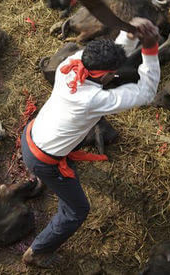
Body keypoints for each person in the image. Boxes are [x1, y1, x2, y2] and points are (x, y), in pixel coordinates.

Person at [21, 18, 161, 268]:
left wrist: (130, 35)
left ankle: (46, 176)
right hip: (44, 160)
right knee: (77, 210)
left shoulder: (72, 62)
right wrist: (149, 48)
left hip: (31, 133)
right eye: (114, 73)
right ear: (107, 75)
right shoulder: (93, 99)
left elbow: (106, 56)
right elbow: (147, 92)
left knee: (69, 138)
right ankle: (37, 252)